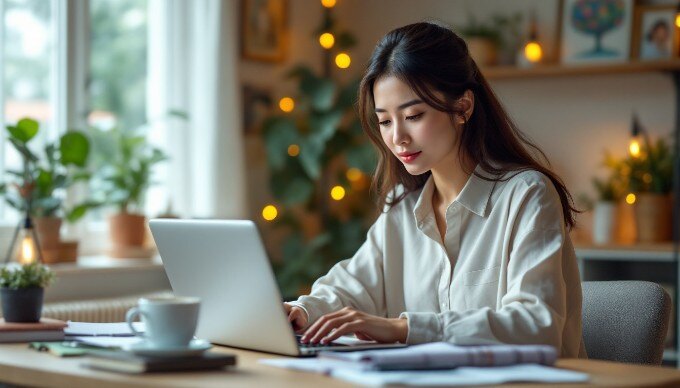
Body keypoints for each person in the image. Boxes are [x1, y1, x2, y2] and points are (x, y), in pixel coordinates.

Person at [283, 21, 587, 358]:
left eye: (413, 115)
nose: (397, 137)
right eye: (384, 121)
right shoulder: (400, 209)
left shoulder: (527, 195)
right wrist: (302, 312)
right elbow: (350, 287)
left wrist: (404, 328)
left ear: (463, 107)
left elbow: (536, 327)